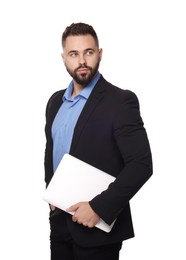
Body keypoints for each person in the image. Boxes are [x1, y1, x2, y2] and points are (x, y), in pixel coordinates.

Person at [44, 22, 153, 260]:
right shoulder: (55, 102)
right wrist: (50, 193)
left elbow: (141, 165)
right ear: (64, 57)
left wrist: (99, 209)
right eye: (74, 54)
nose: (81, 60)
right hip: (60, 227)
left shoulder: (120, 101)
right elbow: (51, 151)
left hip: (97, 233)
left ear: (99, 54)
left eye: (88, 52)